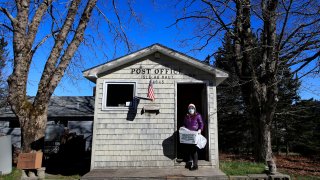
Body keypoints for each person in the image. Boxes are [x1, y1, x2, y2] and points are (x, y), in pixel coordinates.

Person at [183, 103, 204, 171]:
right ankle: (190, 162)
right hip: (188, 135)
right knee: (188, 149)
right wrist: (183, 128)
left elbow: (201, 123)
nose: (191, 110)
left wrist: (200, 129)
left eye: (192, 108)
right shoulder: (186, 116)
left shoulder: (198, 115)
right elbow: (185, 124)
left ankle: (195, 165)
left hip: (195, 134)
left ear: (194, 109)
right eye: (189, 108)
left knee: (194, 149)